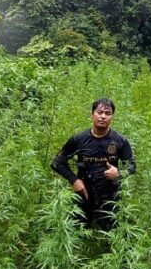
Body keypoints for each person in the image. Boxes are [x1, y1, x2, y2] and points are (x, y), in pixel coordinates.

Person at [51, 98, 136, 230]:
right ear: (92, 115)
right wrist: (74, 180)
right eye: (99, 112)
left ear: (112, 117)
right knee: (77, 232)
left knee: (113, 234)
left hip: (111, 196)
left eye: (107, 113)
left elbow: (132, 165)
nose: (103, 116)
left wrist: (119, 173)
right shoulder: (78, 139)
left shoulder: (120, 141)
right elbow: (57, 162)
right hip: (84, 193)